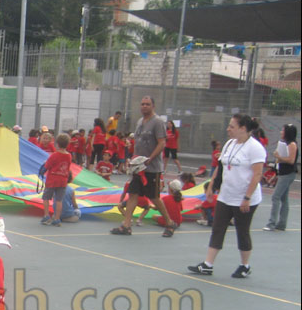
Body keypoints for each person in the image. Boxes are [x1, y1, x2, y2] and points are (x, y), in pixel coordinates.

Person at [188, 114, 265, 278]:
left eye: (232, 126)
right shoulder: (230, 144)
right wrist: (211, 186)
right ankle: (208, 264)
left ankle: (245, 265)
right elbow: (221, 167)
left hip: (244, 198)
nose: (228, 129)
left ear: (243, 128)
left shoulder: (255, 148)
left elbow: (257, 174)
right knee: (218, 228)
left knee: (242, 230)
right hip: (226, 195)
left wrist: (247, 197)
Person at [111, 96, 176, 235]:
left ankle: (169, 223)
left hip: (152, 168)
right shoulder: (140, 122)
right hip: (138, 167)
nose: (144, 106)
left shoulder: (157, 122)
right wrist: (133, 160)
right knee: (133, 194)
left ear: (153, 106)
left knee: (154, 197)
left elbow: (162, 143)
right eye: (142, 104)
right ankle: (126, 225)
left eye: (147, 104)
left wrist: (150, 158)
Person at [264, 124, 297, 232]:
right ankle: (282, 224)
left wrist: (279, 157)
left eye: (283, 130)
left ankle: (271, 223)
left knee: (275, 197)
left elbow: (291, 160)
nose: (281, 132)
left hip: (288, 174)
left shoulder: (292, 144)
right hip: (283, 173)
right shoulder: (286, 143)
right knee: (284, 198)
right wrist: (278, 157)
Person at [40, 133, 72, 227]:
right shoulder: (69, 156)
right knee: (59, 200)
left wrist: (43, 169)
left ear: (57, 144)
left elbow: (47, 166)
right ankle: (57, 218)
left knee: (46, 198)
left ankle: (46, 216)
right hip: (63, 180)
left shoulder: (54, 155)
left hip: (52, 180)